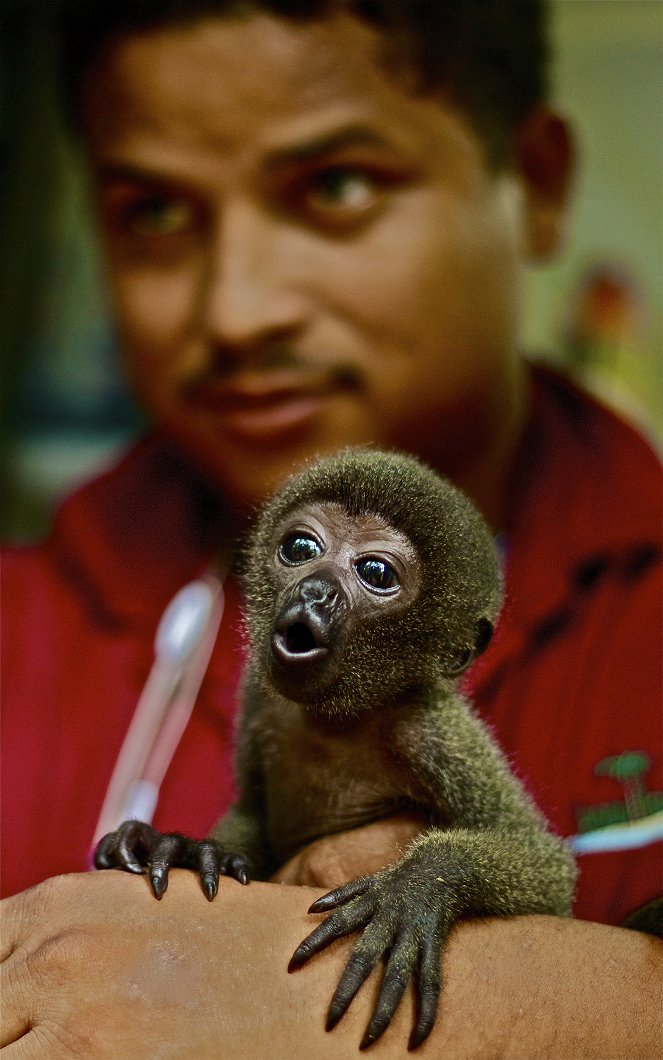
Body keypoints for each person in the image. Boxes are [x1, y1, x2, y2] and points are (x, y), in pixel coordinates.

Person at [2, 1, 661, 1055]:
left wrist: (550, 1005)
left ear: (534, 182)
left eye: (337, 186)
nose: (237, 310)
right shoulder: (22, 627)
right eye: (157, 213)